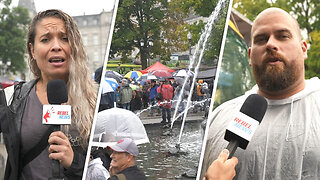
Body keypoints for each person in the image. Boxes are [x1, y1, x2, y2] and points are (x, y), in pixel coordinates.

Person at [201, 7, 320, 179]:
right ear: (250, 55)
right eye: (261, 39)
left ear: (303, 49)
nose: (271, 44)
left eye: (283, 36)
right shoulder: (218, 117)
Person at [0, 9, 96, 180]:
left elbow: (108, 162)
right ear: (32, 50)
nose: (56, 46)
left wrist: (74, 162)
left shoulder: (96, 101)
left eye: (64, 38)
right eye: (45, 39)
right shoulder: (11, 100)